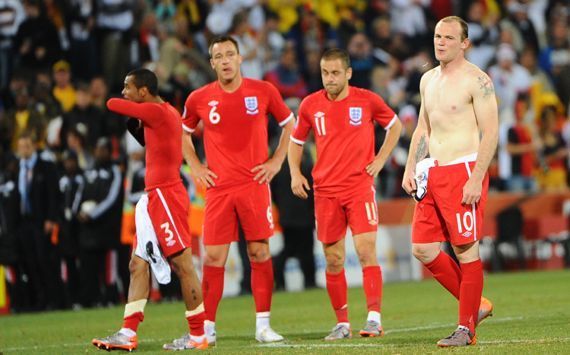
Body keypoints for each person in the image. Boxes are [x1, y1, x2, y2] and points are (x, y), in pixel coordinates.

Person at [181, 35, 295, 344]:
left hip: (254, 185)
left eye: (231, 54)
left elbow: (290, 123)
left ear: (240, 58)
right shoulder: (199, 98)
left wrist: (276, 161)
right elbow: (183, 133)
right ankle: (207, 328)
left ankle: (263, 326)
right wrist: (195, 166)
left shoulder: (263, 91)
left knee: (259, 252)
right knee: (214, 257)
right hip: (218, 189)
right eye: (220, 56)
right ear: (212, 63)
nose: (226, 60)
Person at [289, 48, 402, 340]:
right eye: (325, 73)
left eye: (335, 73)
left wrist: (380, 159)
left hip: (358, 188)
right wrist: (294, 173)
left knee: (366, 252)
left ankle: (374, 319)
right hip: (325, 192)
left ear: (348, 73)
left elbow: (395, 125)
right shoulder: (310, 105)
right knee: (333, 260)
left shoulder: (366, 100)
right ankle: (342, 323)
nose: (330, 79)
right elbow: (296, 140)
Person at [91, 68, 207, 351]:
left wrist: (128, 107)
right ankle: (128, 332)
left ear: (143, 91)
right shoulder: (160, 115)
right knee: (137, 264)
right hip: (153, 197)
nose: (123, 92)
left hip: (166, 195)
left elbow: (111, 104)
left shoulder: (157, 111)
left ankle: (198, 335)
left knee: (182, 264)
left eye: (127, 86)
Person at [401, 16, 497, 347]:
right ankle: (476, 305)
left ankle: (465, 327)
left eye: (449, 37)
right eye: (437, 36)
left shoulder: (477, 80)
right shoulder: (428, 80)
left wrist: (476, 177)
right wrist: (411, 166)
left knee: (465, 251)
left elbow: (491, 132)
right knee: (423, 249)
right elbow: (423, 128)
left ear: (464, 43)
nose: (440, 42)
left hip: (463, 171)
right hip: (433, 171)